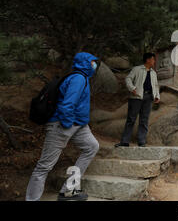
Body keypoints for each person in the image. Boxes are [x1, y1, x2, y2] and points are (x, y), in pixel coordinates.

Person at [26, 52, 100, 201]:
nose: (95, 64)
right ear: (85, 63)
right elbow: (67, 105)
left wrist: (78, 123)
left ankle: (68, 190)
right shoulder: (78, 78)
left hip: (79, 125)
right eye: (92, 61)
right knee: (44, 166)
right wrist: (67, 126)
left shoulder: (82, 78)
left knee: (92, 147)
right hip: (63, 125)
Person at [115, 52, 160, 148]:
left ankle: (142, 141)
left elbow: (156, 86)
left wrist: (157, 96)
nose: (154, 61)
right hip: (136, 97)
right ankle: (125, 141)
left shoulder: (153, 73)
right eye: (153, 59)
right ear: (148, 60)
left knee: (144, 120)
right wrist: (132, 88)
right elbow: (128, 79)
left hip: (148, 98)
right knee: (131, 119)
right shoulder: (137, 69)